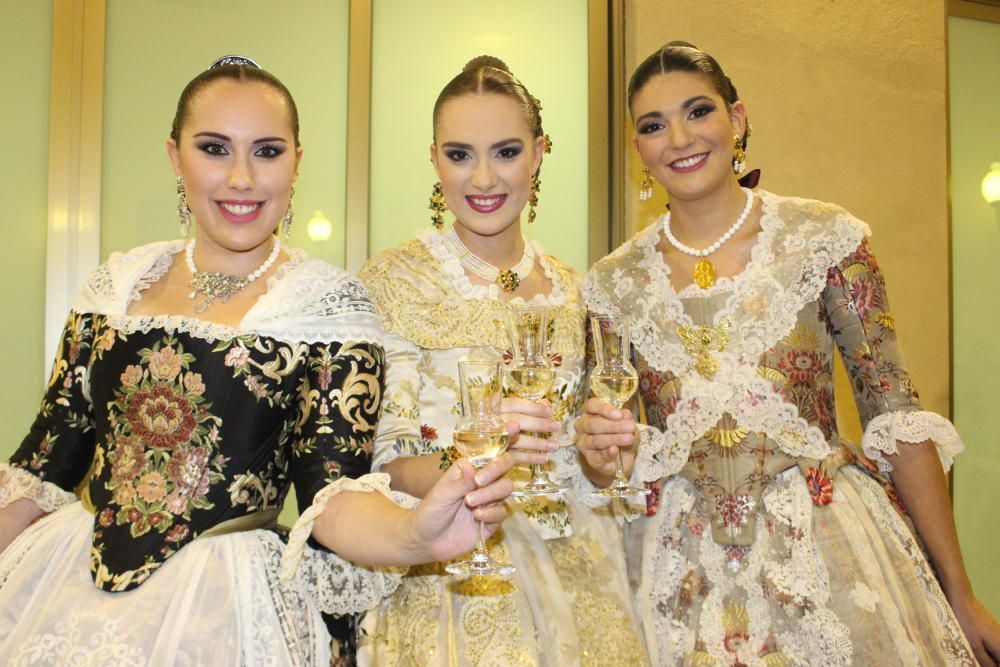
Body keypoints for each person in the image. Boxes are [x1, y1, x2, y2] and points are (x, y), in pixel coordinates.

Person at [0, 56, 516, 666]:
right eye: (214, 148)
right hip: (66, 592)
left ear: (297, 160)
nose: (241, 178)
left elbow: (334, 495)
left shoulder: (328, 307)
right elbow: (44, 466)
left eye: (266, 151)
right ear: (175, 156)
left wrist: (414, 534)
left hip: (225, 607)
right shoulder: (114, 289)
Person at [574, 41, 1000, 666]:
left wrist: (961, 595)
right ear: (638, 150)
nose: (680, 137)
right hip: (673, 572)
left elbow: (897, 419)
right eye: (653, 125)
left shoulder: (824, 239)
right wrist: (597, 454)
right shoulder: (611, 283)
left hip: (823, 552)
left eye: (698, 111)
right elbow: (604, 463)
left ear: (736, 119)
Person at [357, 56, 646, 666]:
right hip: (444, 571)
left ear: (539, 152)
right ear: (433, 157)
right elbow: (383, 459)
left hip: (574, 576)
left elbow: (590, 465)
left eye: (506, 152)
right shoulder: (394, 279)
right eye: (460, 154)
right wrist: (471, 462)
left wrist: (602, 455)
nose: (483, 177)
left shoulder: (576, 290)